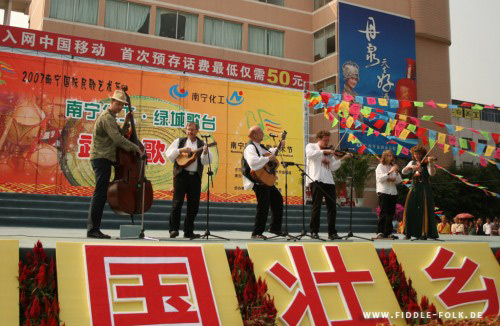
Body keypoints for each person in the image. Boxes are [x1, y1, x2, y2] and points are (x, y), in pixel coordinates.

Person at [87, 89, 142, 239]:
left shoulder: (111, 118)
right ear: (112, 102)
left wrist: (126, 122)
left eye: (123, 105)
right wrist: (136, 148)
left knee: (101, 193)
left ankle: (94, 228)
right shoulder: (107, 117)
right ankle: (93, 229)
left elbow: (121, 133)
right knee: (99, 193)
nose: (121, 108)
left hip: (104, 158)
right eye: (119, 104)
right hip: (101, 157)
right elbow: (118, 140)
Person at [166, 122, 212, 239]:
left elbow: (206, 162)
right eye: (188, 129)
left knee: (193, 206)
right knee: (177, 203)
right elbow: (169, 155)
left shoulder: (202, 144)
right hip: (181, 176)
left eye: (192, 130)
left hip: (195, 177)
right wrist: (180, 150)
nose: (189, 132)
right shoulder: (179, 141)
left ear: (197, 131)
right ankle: (173, 229)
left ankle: (188, 231)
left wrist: (205, 152)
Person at [305, 130, 352, 240]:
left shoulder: (330, 152)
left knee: (332, 207)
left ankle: (332, 232)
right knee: (316, 206)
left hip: (329, 181)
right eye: (325, 140)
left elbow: (332, 167)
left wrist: (343, 158)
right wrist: (324, 152)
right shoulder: (311, 146)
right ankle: (314, 231)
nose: (327, 142)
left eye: (328, 140)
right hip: (316, 179)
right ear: (319, 138)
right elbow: (310, 155)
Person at [242, 126, 283, 239]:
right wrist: (268, 159)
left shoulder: (260, 146)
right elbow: (253, 162)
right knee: (263, 206)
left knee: (278, 200)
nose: (263, 134)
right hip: (257, 180)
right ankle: (256, 233)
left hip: (265, 179)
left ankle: (275, 228)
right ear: (254, 134)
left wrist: (278, 147)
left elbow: (270, 154)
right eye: (261, 132)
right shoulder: (250, 147)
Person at [401, 145, 438, 240]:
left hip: (425, 189)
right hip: (414, 188)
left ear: (422, 154)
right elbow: (403, 171)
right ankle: (408, 233)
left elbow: (432, 173)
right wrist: (410, 167)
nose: (417, 156)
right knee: (410, 209)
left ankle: (424, 233)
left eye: (419, 154)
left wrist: (431, 163)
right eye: (415, 154)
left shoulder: (427, 162)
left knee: (424, 210)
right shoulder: (411, 162)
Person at [375, 150, 402, 239]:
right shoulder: (380, 166)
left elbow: (399, 181)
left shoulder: (393, 166)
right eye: (389, 155)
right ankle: (380, 232)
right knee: (383, 212)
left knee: (391, 213)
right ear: (385, 156)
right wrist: (389, 172)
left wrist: (397, 172)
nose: (391, 157)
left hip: (393, 192)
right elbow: (380, 179)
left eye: (392, 156)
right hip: (383, 191)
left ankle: (388, 232)